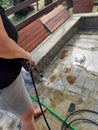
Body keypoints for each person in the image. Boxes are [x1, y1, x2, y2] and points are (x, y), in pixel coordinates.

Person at [0, 5, 46, 130]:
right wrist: (26, 55)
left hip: (8, 73)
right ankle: (26, 115)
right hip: (5, 81)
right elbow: (2, 46)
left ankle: (27, 113)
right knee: (25, 113)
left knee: (24, 108)